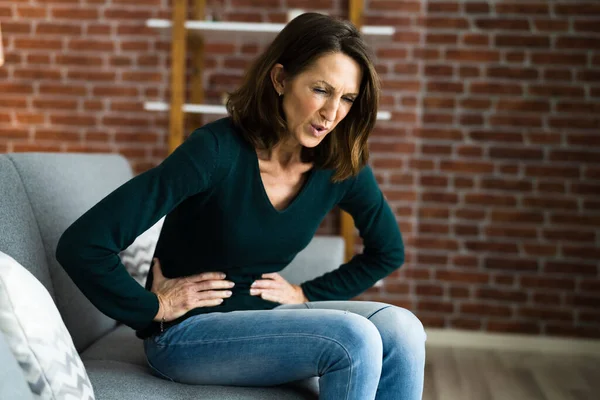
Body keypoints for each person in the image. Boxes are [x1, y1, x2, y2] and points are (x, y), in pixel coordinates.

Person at [55, 12, 426, 400]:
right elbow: (83, 244)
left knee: (403, 329)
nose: (332, 113)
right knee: (354, 338)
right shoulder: (214, 152)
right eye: (321, 90)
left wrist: (306, 294)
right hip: (186, 334)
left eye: (347, 98)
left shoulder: (339, 166)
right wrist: (152, 307)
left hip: (267, 318)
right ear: (280, 79)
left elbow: (388, 251)